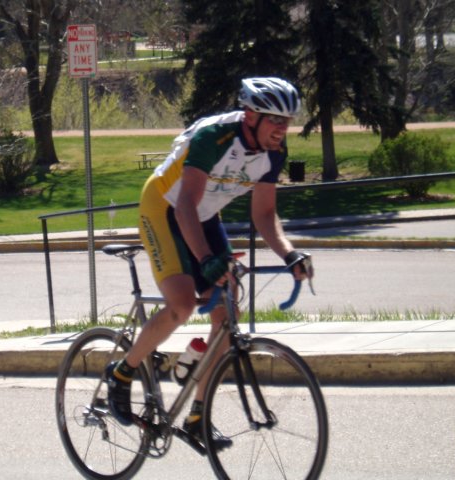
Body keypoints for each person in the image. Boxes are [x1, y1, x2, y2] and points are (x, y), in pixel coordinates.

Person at [106, 77, 313, 449]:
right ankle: (123, 371)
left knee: (226, 311)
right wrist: (206, 259)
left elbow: (265, 215)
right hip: (165, 207)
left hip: (202, 215)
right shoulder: (213, 138)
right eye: (275, 120)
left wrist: (289, 253)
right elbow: (184, 206)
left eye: (288, 121)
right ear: (250, 115)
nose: (282, 129)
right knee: (183, 304)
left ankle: (198, 415)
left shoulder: (273, 153)